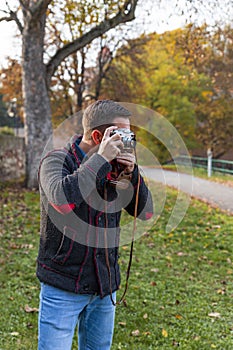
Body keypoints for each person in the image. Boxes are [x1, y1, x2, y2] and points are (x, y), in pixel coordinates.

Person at [37, 100, 153, 350]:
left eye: (128, 135)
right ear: (98, 135)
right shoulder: (56, 161)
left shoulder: (116, 168)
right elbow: (63, 201)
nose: (126, 141)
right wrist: (100, 160)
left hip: (104, 286)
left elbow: (145, 213)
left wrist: (132, 174)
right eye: (120, 135)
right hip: (63, 285)